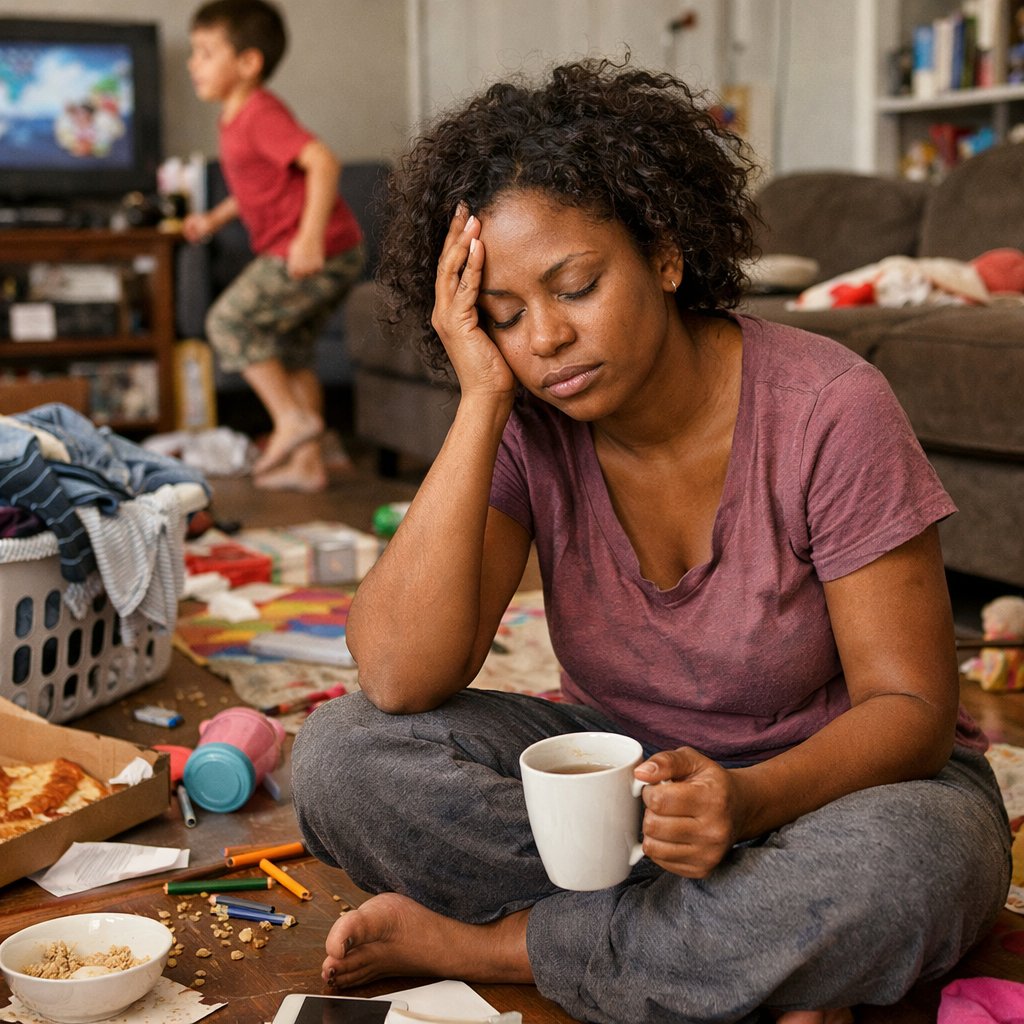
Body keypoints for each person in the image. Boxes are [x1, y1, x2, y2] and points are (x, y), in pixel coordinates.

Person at [291, 61, 1010, 1024]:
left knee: (917, 867)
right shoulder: (525, 414)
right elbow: (398, 675)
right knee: (341, 756)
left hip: (833, 789)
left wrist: (747, 805)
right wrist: (480, 401)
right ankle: (745, 953)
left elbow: (915, 709)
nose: (544, 338)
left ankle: (510, 947)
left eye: (575, 286)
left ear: (664, 254)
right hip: (626, 797)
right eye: (503, 315)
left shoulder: (828, 408)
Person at [183, 0, 364, 491]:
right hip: (334, 247)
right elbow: (256, 189)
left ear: (248, 63)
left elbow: (323, 162)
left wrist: (307, 239)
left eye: (204, 52)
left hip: (316, 246)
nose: (191, 62)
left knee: (226, 321)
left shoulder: (260, 112)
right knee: (292, 353)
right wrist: (214, 218)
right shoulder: (232, 119)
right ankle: (308, 466)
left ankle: (291, 420)